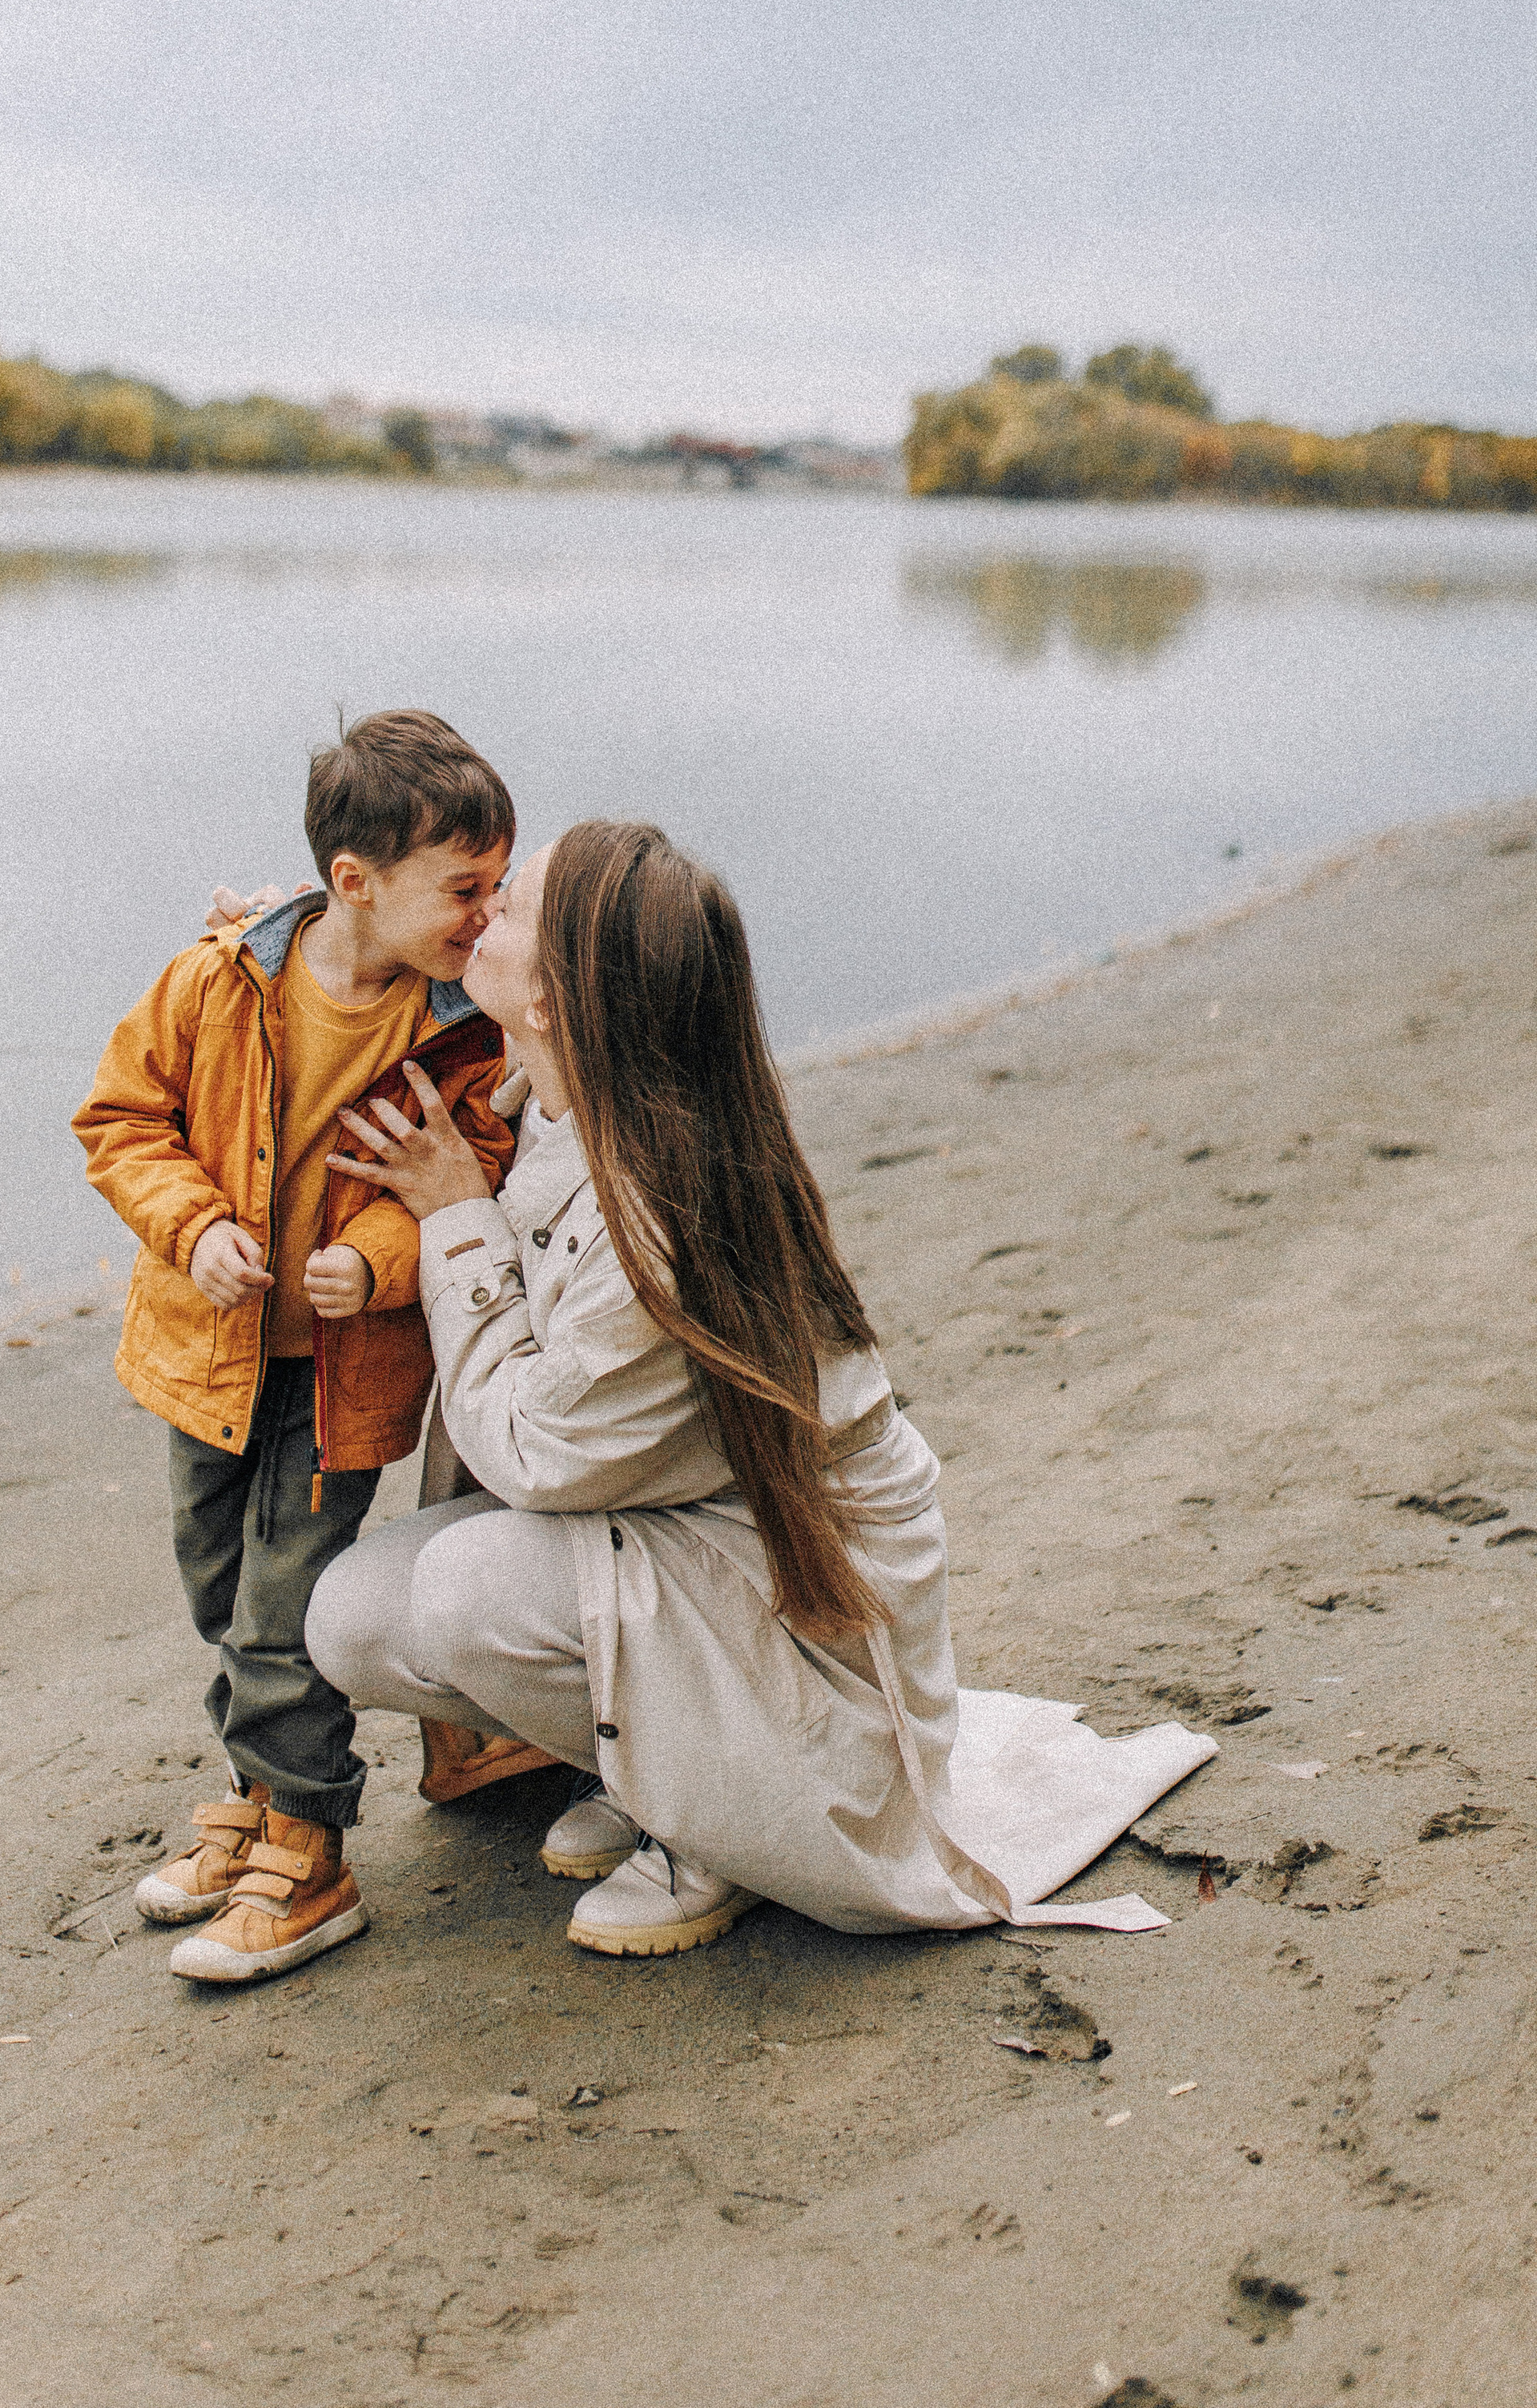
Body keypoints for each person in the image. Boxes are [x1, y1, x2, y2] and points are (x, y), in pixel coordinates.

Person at [307, 819, 1213, 1955]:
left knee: (461, 1592)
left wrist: (453, 1223)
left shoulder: (660, 1206)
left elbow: (538, 1458)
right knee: (350, 1618)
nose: (478, 914)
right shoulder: (561, 1091)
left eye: (510, 907)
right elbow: (375, 933)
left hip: (781, 1583)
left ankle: (714, 1826)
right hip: (664, 1529)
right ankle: (653, 1754)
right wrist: (294, 925)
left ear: (557, 1001)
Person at [70, 709, 536, 1987]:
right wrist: (194, 1225)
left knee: (288, 1607)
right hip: (207, 1357)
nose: (486, 917)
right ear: (353, 883)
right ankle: (259, 1796)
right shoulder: (216, 983)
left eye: (500, 888)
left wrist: (381, 1257)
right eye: (465, 889)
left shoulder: (458, 1027)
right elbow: (119, 1119)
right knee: (221, 1589)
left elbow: (478, 1161)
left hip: (342, 1378)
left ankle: (311, 1853)